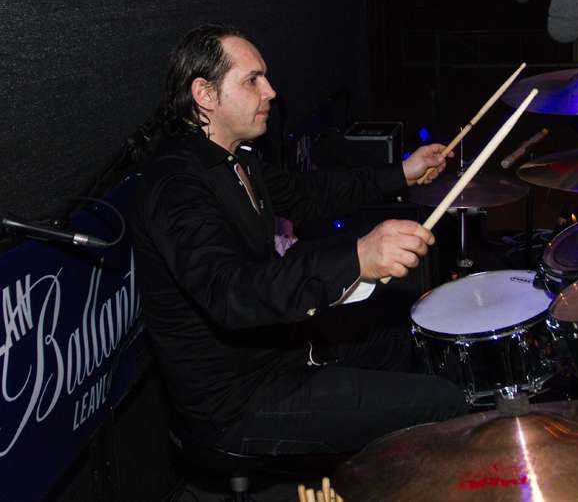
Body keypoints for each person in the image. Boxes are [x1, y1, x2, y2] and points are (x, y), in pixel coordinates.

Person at [131, 23, 468, 456]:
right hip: (235, 402)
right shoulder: (176, 185)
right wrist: (358, 257)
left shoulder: (235, 158)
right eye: (252, 80)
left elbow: (307, 194)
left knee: (409, 342)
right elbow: (232, 294)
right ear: (205, 94)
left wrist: (401, 172)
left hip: (281, 351)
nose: (270, 91)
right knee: (441, 403)